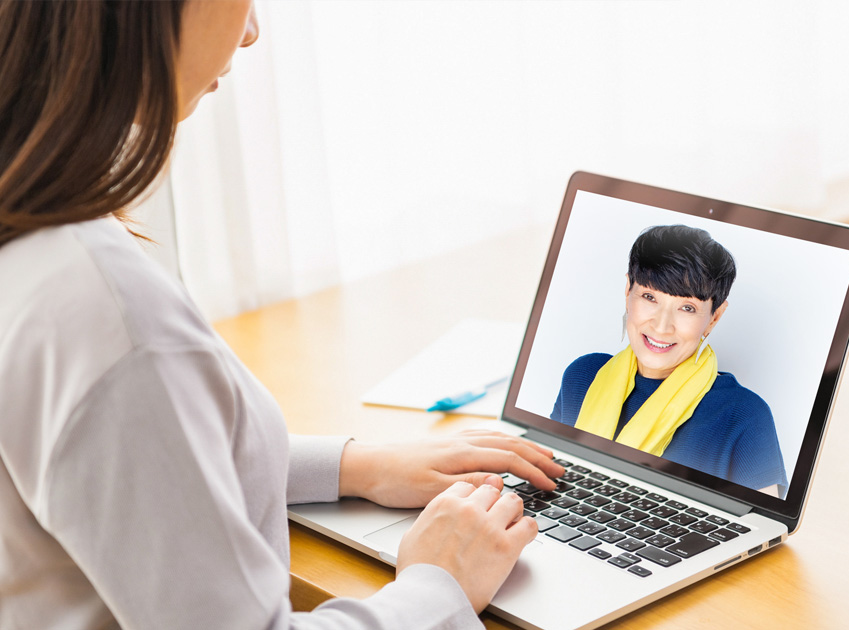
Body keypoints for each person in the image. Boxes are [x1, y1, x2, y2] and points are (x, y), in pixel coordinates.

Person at [0, 2, 565, 628]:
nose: (250, 31)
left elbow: (139, 468)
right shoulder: (113, 322)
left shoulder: (36, 235)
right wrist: (440, 582)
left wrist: (359, 467)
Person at [550, 225, 787, 495]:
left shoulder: (744, 415)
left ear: (715, 317)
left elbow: (762, 528)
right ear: (628, 291)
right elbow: (546, 476)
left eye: (687, 308)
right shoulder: (582, 376)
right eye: (650, 297)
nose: (662, 326)